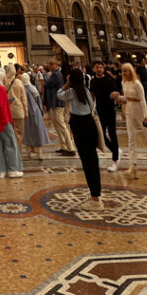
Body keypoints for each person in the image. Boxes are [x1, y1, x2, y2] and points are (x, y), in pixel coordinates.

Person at [59, 67, 103, 210]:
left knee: (86, 161)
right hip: (89, 123)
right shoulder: (85, 91)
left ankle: (95, 200)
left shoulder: (71, 92)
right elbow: (91, 107)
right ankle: (96, 194)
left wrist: (66, 83)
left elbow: (59, 94)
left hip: (79, 125)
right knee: (93, 159)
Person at [116, 62, 147, 178]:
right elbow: (127, 98)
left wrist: (146, 116)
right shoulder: (123, 82)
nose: (124, 72)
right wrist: (118, 97)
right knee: (131, 138)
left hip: (141, 112)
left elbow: (143, 100)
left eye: (126, 70)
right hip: (129, 111)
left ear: (131, 71)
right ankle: (133, 164)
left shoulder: (137, 83)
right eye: (123, 70)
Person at [0, 69, 23, 178]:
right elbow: (1, 106)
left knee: (0, 145)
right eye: (3, 78)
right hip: (3, 121)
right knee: (11, 143)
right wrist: (5, 121)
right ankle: (13, 169)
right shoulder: (2, 89)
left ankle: (2, 170)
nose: (4, 80)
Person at [88, 61, 120, 171]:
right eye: (97, 67)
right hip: (99, 110)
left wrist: (116, 95)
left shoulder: (109, 80)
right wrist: (90, 108)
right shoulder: (92, 81)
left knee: (112, 134)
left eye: (101, 67)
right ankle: (115, 149)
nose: (99, 69)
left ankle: (115, 160)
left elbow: (116, 92)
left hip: (110, 110)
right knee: (100, 134)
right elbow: (92, 95)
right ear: (94, 69)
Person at [43, 58, 75, 156]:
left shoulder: (56, 75)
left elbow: (47, 84)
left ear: (56, 65)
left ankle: (70, 148)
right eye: (49, 64)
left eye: (52, 64)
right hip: (54, 102)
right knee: (57, 126)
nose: (50, 65)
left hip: (57, 103)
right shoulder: (54, 74)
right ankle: (64, 146)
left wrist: (47, 78)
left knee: (61, 125)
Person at [20, 70, 50, 158]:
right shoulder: (33, 88)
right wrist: (41, 111)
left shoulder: (22, 89)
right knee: (37, 130)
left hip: (26, 113)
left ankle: (29, 150)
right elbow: (38, 101)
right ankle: (39, 151)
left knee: (28, 132)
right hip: (35, 111)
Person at [3, 64, 28, 146]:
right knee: (19, 134)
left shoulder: (4, 82)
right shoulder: (19, 82)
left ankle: (11, 153)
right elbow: (23, 99)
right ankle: (18, 154)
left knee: (8, 134)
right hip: (18, 111)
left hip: (7, 111)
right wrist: (26, 112)